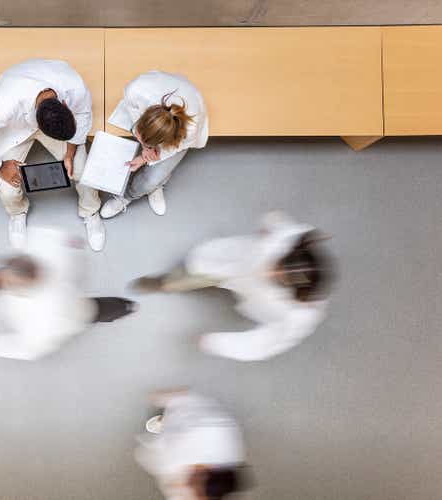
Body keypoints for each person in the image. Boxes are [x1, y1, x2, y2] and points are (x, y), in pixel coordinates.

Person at [131, 212, 333, 362]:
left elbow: (265, 343)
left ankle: (173, 283)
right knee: (193, 274)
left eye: (279, 279)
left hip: (248, 291)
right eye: (278, 266)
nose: (270, 273)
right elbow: (277, 221)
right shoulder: (288, 239)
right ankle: (166, 284)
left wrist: (219, 343)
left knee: (217, 278)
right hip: (228, 263)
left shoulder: (298, 315)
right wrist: (268, 226)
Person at [0, 59, 105, 251]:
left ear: (65, 104)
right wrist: (0, 167)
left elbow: (84, 114)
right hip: (16, 128)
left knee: (83, 169)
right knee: (8, 187)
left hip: (49, 113)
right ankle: (17, 213)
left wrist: (69, 153)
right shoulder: (5, 103)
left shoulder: (74, 87)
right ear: (36, 121)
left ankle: (90, 212)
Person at [0, 227, 136, 360]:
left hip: (79, 311)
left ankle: (125, 307)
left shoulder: (43, 319)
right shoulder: (47, 255)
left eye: (6, 281)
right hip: (64, 295)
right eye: (4, 272)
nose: (2, 277)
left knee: (101, 310)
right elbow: (53, 241)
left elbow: (28, 348)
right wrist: (71, 245)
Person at [100, 70, 209, 219]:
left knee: (151, 179)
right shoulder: (136, 90)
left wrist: (145, 158)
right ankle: (153, 184)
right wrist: (145, 147)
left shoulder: (190, 130)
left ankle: (133, 194)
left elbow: (173, 148)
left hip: (187, 118)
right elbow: (131, 109)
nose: (141, 143)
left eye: (148, 144)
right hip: (168, 86)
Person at [135, 389, 248, 500]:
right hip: (183, 410)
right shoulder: (175, 459)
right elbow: (145, 454)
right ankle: (163, 415)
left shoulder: (229, 459)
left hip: (206, 412)